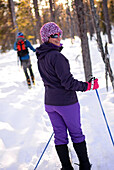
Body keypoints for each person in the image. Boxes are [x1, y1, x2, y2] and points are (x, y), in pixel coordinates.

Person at [36, 22, 99, 170]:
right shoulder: (57, 57)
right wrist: (88, 86)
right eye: (54, 35)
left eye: (59, 34)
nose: (58, 38)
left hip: (50, 104)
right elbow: (68, 83)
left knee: (60, 136)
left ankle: (66, 167)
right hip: (66, 103)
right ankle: (84, 166)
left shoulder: (41, 57)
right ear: (47, 38)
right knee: (76, 134)